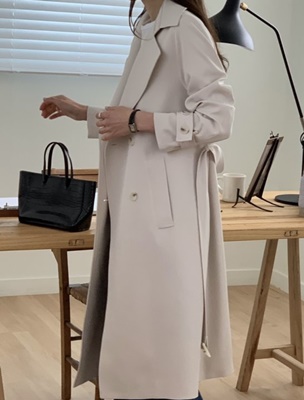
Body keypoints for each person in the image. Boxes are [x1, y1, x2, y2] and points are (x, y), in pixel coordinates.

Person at [40, 0, 234, 399]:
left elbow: (218, 119)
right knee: (142, 351)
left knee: (163, 355)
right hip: (137, 207)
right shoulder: (149, 24)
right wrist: (83, 112)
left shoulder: (184, 27)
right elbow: (134, 117)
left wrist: (135, 120)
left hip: (165, 216)